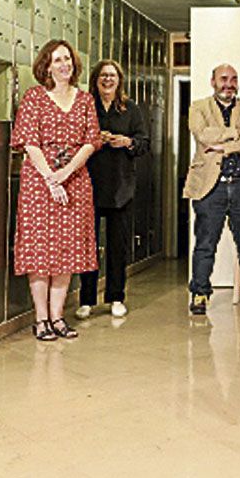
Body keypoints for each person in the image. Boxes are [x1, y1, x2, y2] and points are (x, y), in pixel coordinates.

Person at [11, 39, 103, 341]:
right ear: (47, 66)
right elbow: (28, 142)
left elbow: (91, 141)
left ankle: (58, 317)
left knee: (68, 249)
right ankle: (40, 319)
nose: (64, 65)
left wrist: (66, 173)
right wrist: (51, 178)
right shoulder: (34, 98)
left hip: (74, 180)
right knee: (40, 250)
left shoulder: (86, 99)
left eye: (67, 59)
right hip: (39, 181)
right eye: (57, 60)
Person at [182, 64, 240, 315]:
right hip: (211, 187)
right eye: (223, 79)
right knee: (205, 243)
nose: (228, 84)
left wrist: (227, 147)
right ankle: (200, 293)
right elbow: (204, 134)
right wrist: (235, 133)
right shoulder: (198, 107)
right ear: (212, 81)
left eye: (233, 79)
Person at [75, 59, 148, 320]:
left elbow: (144, 143)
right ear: (96, 80)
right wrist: (97, 140)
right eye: (103, 76)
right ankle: (86, 300)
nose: (108, 80)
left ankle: (116, 297)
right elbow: (74, 140)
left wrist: (127, 142)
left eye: (112, 76)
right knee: (88, 246)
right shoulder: (86, 106)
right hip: (89, 185)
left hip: (121, 186)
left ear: (119, 80)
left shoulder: (131, 109)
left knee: (118, 246)